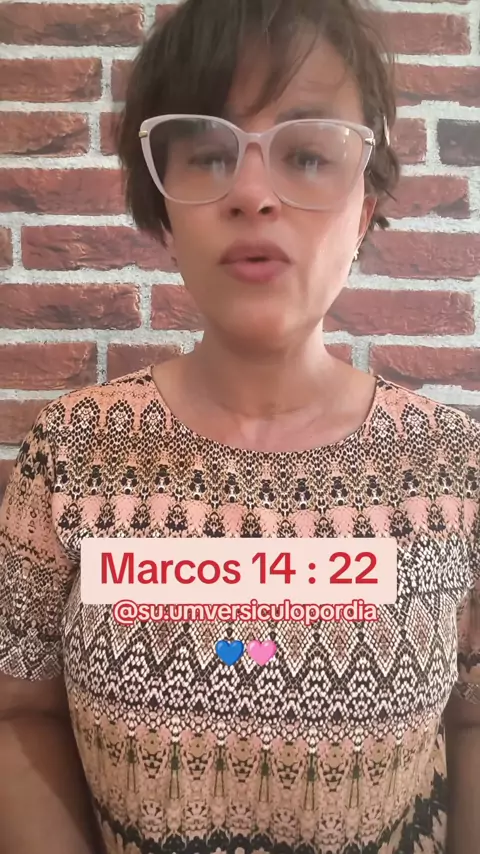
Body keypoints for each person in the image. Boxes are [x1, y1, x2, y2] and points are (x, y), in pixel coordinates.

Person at [0, 0, 479, 851]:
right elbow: (20, 707)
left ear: (365, 208)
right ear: (164, 208)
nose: (253, 194)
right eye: (211, 155)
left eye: (306, 154)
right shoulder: (71, 455)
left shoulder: (454, 468)